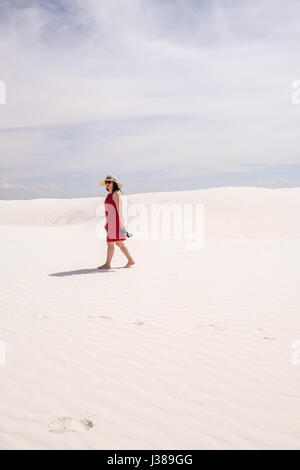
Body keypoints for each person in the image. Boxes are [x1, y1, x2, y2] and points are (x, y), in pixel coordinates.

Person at [97, 174, 135, 269]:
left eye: (109, 182)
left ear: (114, 183)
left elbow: (119, 210)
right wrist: (107, 223)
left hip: (115, 223)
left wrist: (120, 224)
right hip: (110, 222)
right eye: (106, 182)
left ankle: (129, 260)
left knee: (117, 243)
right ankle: (109, 263)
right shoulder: (110, 194)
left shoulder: (116, 194)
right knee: (113, 243)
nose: (107, 184)